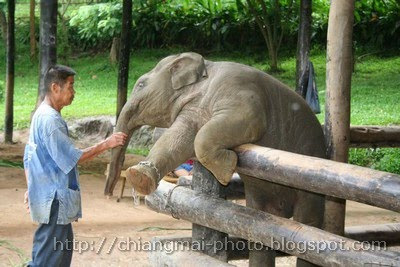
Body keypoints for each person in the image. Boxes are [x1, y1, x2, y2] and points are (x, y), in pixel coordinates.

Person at [23, 65, 127, 266]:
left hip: (50, 199)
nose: (74, 92)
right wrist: (107, 143)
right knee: (48, 260)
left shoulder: (41, 114)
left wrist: (31, 187)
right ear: (55, 88)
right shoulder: (50, 120)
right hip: (54, 200)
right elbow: (73, 157)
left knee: (59, 255)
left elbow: (29, 156)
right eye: (70, 86)